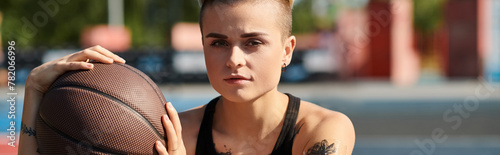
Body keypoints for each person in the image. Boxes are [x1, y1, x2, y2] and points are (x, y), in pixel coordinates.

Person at [19, 0, 355, 154]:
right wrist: (34, 91)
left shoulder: (322, 130)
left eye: (253, 42)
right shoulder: (166, 132)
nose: (234, 59)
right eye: (219, 43)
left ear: (287, 50)